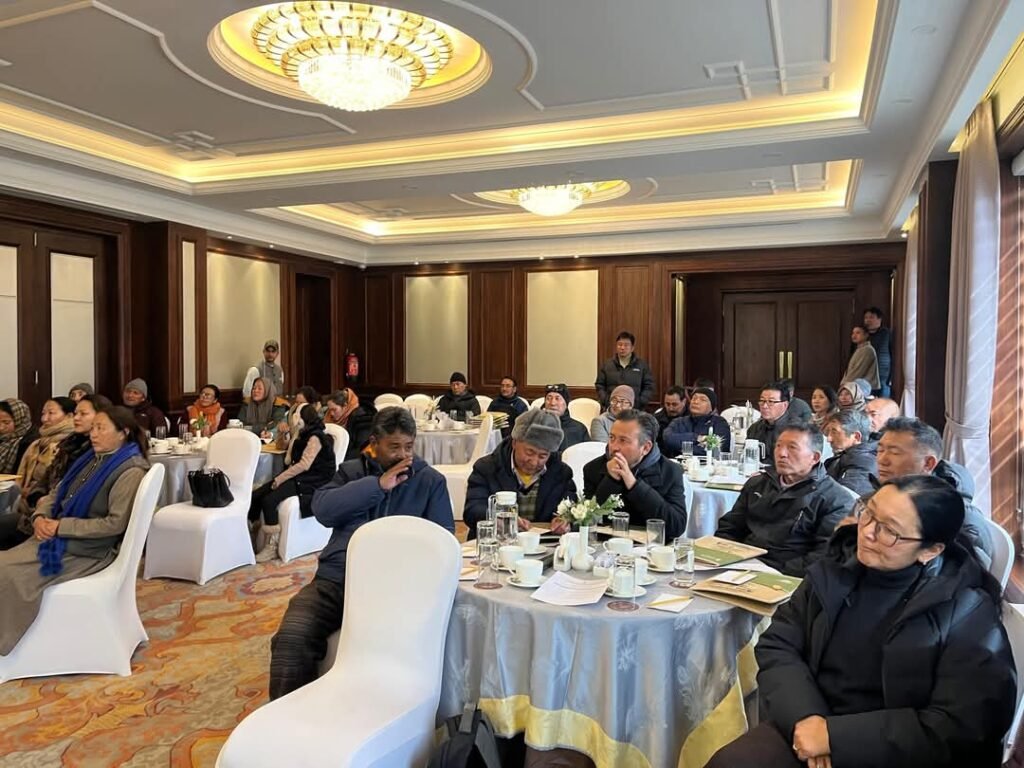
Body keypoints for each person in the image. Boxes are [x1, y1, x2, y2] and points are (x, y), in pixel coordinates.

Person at [707, 476, 1015, 768]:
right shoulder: (835, 569)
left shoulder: (966, 611)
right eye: (868, 514)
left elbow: (962, 722)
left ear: (931, 550)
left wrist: (836, 738)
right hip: (810, 715)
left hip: (896, 750)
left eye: (889, 530)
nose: (867, 533)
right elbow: (779, 644)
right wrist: (807, 719)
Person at [268, 407, 454, 699]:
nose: (403, 455)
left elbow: (443, 545)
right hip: (336, 581)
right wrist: (377, 486)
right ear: (374, 443)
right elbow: (323, 510)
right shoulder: (351, 473)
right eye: (394, 447)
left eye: (408, 446)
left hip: (396, 589)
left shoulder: (429, 481)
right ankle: (288, 713)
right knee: (291, 637)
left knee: (385, 652)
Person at [0, 405, 149, 655]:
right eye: (94, 428)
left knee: (6, 573)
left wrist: (61, 526)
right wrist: (40, 517)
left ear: (123, 432)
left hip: (88, 550)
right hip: (61, 539)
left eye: (101, 428)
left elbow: (114, 523)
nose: (93, 434)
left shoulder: (129, 470)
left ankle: (9, 646)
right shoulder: (92, 459)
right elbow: (56, 493)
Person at [716, 423, 853, 576]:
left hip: (786, 574)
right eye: (778, 446)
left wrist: (775, 573)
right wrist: (724, 557)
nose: (781, 453)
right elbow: (730, 527)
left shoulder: (836, 499)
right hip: (741, 564)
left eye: (792, 448)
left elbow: (824, 554)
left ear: (814, 457)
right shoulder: (758, 483)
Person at [873, 417, 994, 568]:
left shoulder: (962, 522)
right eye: (880, 450)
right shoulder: (884, 496)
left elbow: (967, 575)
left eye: (895, 452)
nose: (882, 460)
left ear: (928, 463)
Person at [0, 394, 115, 551]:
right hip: (43, 508)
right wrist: (38, 497)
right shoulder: (69, 444)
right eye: (76, 413)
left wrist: (47, 507)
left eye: (83, 414)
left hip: (64, 520)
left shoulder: (97, 453)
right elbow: (47, 478)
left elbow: (77, 493)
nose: (76, 418)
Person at [464, 409, 576, 539]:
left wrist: (565, 520)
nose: (534, 462)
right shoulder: (487, 468)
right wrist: (497, 519)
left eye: (542, 456)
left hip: (543, 544)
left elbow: (572, 506)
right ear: (515, 442)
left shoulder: (561, 473)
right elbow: (472, 509)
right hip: (496, 541)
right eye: (529, 452)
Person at [248, 404, 336, 563]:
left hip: (310, 480)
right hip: (297, 475)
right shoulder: (301, 433)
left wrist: (280, 479)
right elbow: (284, 451)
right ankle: (252, 533)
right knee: (257, 494)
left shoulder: (315, 437)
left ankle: (272, 546)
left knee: (269, 501)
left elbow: (304, 465)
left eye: (297, 415)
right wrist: (284, 434)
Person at [582, 409, 687, 540]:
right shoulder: (593, 469)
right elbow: (585, 520)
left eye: (623, 440)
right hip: (607, 546)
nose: (614, 447)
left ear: (646, 448)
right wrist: (610, 480)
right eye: (612, 438)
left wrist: (634, 485)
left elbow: (676, 527)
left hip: (652, 547)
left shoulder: (670, 471)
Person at [15, 397, 76, 511]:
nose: (44, 419)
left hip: (47, 503)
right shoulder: (37, 443)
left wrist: (34, 492)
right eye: (43, 413)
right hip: (25, 499)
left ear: (69, 416)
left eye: (51, 413)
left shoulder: (70, 444)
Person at [745, 382, 801, 469]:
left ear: (785, 405)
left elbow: (797, 464)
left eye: (771, 401)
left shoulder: (797, 430)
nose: (764, 406)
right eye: (762, 401)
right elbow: (747, 458)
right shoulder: (754, 428)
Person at [661, 386, 731, 456]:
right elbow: (668, 439)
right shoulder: (679, 422)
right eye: (694, 398)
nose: (696, 402)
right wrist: (697, 438)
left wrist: (682, 447)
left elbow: (717, 448)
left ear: (711, 408)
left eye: (703, 400)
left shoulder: (719, 423)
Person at [594, 331, 655, 408]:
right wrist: (606, 401)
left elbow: (649, 386)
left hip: (634, 409)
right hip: (613, 407)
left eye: (626, 345)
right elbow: (600, 385)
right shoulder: (607, 365)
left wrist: (639, 402)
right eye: (620, 345)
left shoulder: (642, 365)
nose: (622, 348)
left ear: (632, 348)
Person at [822, 410, 876, 496]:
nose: (829, 439)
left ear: (856, 437)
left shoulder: (863, 464)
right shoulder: (845, 456)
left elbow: (846, 497)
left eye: (834, 432)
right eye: (829, 432)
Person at [324, 388, 374, 461]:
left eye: (334, 410)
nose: (331, 414)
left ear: (345, 406)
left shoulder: (362, 418)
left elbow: (362, 447)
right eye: (329, 410)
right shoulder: (329, 419)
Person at [542, 384, 588, 452]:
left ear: (566, 404)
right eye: (548, 399)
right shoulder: (536, 426)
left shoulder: (579, 428)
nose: (552, 403)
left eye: (557, 399)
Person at [0, 399, 35, 475]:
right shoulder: (2, 438)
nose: (1, 428)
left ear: (19, 420)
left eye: (6, 422)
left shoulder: (30, 441)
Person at [864, 306, 893, 397]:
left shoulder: (886, 333)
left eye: (871, 317)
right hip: (866, 376)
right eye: (866, 318)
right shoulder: (862, 335)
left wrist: (891, 377)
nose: (868, 320)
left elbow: (893, 353)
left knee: (883, 401)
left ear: (879, 319)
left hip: (883, 375)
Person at [841, 325, 880, 393]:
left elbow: (858, 371)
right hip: (855, 387)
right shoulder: (859, 349)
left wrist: (844, 385)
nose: (854, 335)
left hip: (866, 389)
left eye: (858, 333)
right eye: (853, 333)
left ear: (866, 335)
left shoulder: (867, 349)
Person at [654, 386, 687, 451]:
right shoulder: (657, 419)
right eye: (667, 404)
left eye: (674, 404)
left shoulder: (692, 418)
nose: (671, 408)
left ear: (684, 402)